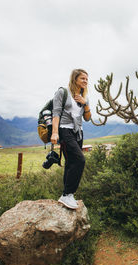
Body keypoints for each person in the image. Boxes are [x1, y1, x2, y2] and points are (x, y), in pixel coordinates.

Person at [51, 69, 91, 209]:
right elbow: (55, 113)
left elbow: (87, 118)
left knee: (70, 163)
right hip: (65, 130)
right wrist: (55, 133)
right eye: (82, 79)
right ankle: (68, 194)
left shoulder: (83, 96)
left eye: (87, 79)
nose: (85, 81)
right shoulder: (63, 92)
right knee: (80, 160)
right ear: (75, 79)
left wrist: (85, 103)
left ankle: (67, 195)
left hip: (78, 132)